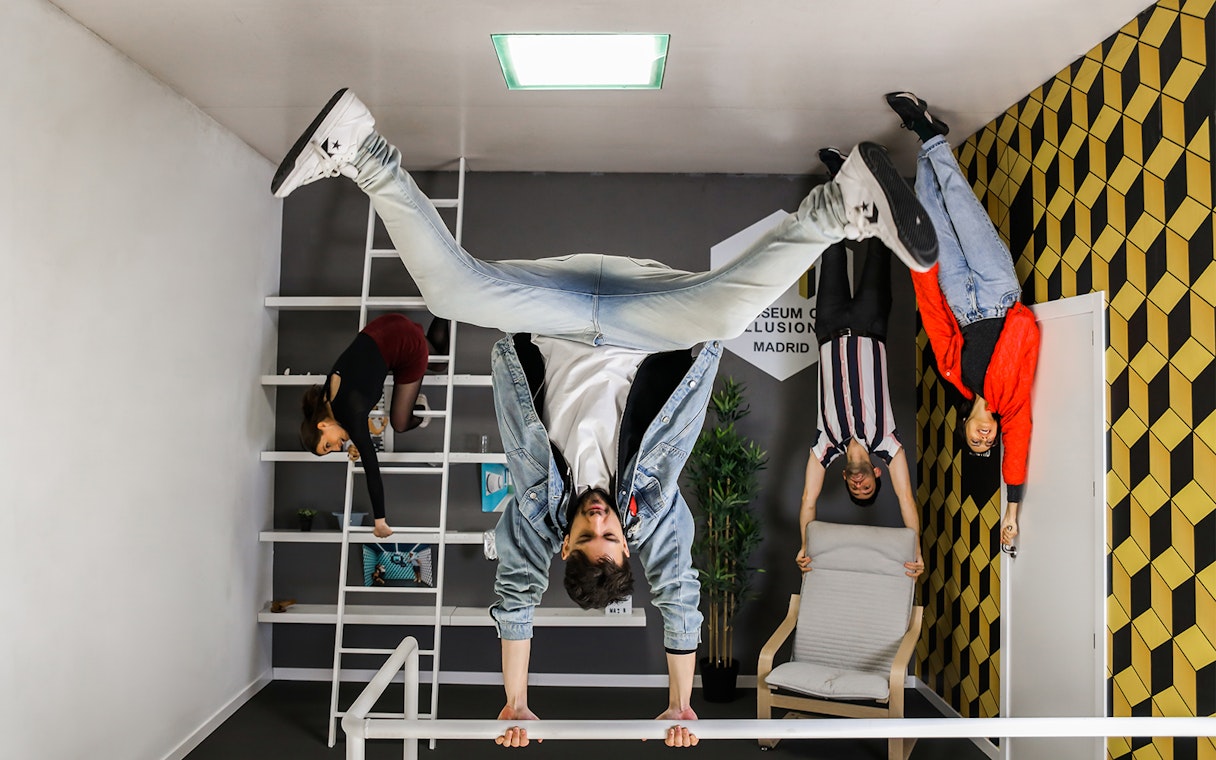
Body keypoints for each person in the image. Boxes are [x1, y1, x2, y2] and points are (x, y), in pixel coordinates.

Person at [271, 88, 938, 746]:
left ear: (565, 546)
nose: (599, 523)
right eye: (612, 541)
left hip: (551, 307)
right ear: (626, 547)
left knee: (447, 290)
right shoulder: (654, 513)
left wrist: (515, 702)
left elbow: (514, 604)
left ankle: (360, 149)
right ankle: (842, 204)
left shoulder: (535, 519)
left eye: (586, 538)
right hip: (647, 313)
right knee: (730, 317)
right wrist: (680, 705)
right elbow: (679, 599)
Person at [885, 91, 1040, 549]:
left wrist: (922, 270)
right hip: (998, 292)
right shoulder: (1011, 407)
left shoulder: (956, 378)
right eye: (987, 445)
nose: (984, 438)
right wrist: (1011, 511)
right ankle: (927, 133)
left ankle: (929, 142)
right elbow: (1019, 450)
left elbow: (936, 322)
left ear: (965, 431)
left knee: (930, 213)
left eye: (975, 443)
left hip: (959, 299)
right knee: (961, 204)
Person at [795, 148, 924, 577]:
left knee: (832, 249)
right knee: (875, 251)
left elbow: (808, 502)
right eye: (866, 486)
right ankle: (875, 187)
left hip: (830, 327)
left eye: (855, 487)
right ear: (878, 476)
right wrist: (916, 552)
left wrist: (804, 547)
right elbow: (907, 501)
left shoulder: (823, 445)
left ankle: (839, 175)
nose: (858, 483)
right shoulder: (888, 443)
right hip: (871, 325)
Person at [300, 313, 449, 538]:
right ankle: (443, 309)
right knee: (437, 364)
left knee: (400, 423)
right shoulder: (325, 399)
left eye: (327, 446)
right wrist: (353, 441)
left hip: (403, 343)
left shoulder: (351, 414)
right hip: (384, 327)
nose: (336, 448)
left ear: (322, 425)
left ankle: (420, 410)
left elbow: (372, 469)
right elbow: (347, 414)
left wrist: (380, 520)